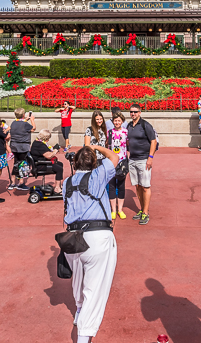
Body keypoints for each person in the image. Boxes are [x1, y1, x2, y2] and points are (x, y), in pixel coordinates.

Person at [62, 143, 119, 343]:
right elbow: (115, 157)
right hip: (97, 237)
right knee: (94, 290)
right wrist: (95, 147)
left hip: (72, 238)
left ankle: (79, 310)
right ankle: (84, 337)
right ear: (94, 163)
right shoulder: (98, 176)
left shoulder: (67, 182)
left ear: (75, 163)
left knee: (77, 280)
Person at [126, 103, 158, 225]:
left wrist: (150, 157)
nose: (133, 114)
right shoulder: (129, 125)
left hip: (144, 159)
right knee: (138, 186)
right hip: (132, 159)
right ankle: (141, 209)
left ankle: (145, 212)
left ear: (140, 112)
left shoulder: (145, 125)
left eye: (135, 112)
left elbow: (153, 141)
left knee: (145, 186)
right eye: (131, 112)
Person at [8, 108, 35, 192]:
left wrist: (25, 120)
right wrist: (32, 120)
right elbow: (33, 128)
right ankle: (21, 183)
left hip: (14, 146)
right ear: (23, 115)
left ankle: (12, 183)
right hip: (23, 146)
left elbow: (20, 125)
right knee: (23, 164)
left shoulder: (13, 123)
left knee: (16, 163)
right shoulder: (25, 124)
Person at [107, 113, 128, 220]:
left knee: (121, 186)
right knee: (111, 185)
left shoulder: (125, 132)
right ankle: (113, 210)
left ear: (122, 121)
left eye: (119, 120)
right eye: (115, 120)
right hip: (111, 162)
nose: (117, 122)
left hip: (122, 162)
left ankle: (120, 209)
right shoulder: (109, 132)